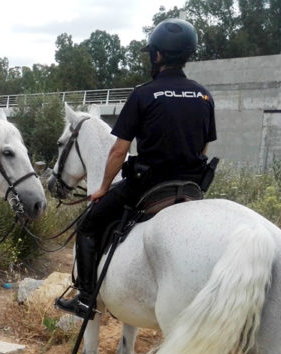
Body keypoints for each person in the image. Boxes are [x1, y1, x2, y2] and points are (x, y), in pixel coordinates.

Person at [55, 18, 217, 319]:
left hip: (149, 185)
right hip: (192, 187)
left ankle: (87, 298)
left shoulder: (144, 93)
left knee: (89, 226)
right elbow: (205, 148)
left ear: (158, 55)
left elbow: (119, 150)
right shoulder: (204, 96)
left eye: (151, 54)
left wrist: (103, 188)